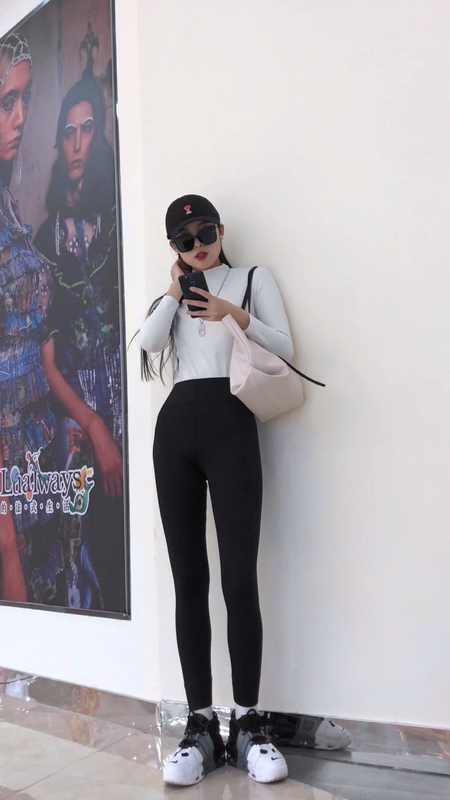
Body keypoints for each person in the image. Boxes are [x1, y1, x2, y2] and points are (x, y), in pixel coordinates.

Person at [137, 194, 293, 786]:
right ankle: (200, 725)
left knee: (239, 577)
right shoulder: (175, 295)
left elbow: (285, 345)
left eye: (206, 232)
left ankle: (249, 722)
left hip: (232, 428)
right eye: (185, 239)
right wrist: (174, 291)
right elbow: (150, 344)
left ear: (221, 230)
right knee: (188, 580)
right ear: (174, 248)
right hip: (176, 434)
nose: (198, 244)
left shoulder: (253, 279)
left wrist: (231, 313)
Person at [34, 71, 126, 613]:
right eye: (67, 132)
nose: (76, 143)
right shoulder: (46, 239)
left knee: (127, 549)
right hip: (75, 418)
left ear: (100, 137)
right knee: (82, 564)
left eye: (87, 129)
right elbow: (47, 363)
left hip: (126, 405)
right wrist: (93, 426)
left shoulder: (117, 222)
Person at [0, 31, 63, 605]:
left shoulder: (11, 204)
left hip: (35, 449)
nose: (20, 117)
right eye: (6, 102)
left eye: (26, 98)